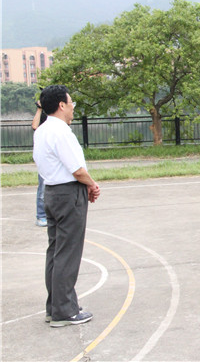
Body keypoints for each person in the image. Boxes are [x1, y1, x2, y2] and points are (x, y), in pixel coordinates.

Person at [33, 85, 100, 327]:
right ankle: (64, 311)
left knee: (55, 251)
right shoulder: (61, 132)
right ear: (62, 105)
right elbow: (77, 170)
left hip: (51, 193)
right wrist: (91, 184)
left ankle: (55, 307)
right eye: (71, 103)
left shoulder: (42, 130)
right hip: (68, 194)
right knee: (68, 253)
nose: (73, 108)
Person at [32, 96, 48, 227]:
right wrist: (39, 108)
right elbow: (34, 126)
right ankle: (41, 216)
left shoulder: (56, 114)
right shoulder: (42, 113)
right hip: (45, 156)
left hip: (55, 156)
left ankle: (52, 215)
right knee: (43, 188)